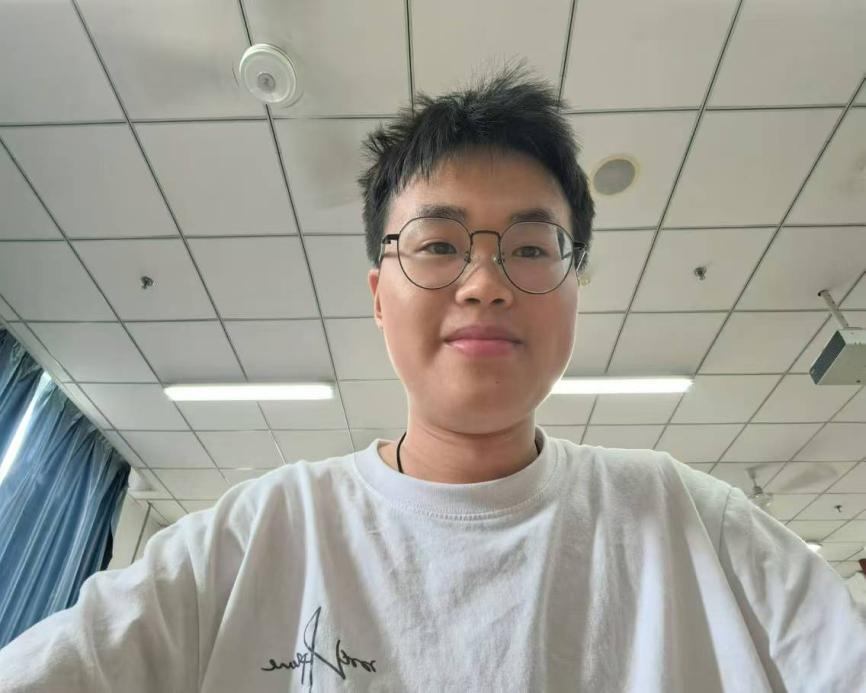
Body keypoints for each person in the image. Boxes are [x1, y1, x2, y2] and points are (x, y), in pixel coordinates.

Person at [1, 64, 864, 692]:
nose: (485, 281)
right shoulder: (252, 538)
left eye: (532, 247)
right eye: (439, 244)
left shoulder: (697, 524)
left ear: (576, 286)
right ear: (380, 296)